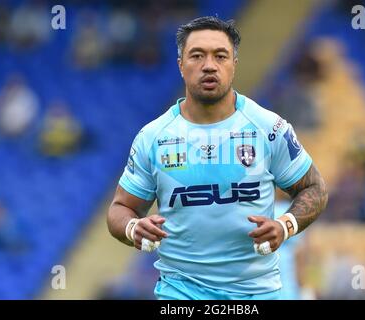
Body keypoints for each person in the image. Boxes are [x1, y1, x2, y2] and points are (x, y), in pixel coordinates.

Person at [107, 16, 328, 300]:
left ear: (233, 64)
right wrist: (133, 226)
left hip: (256, 295)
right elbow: (120, 208)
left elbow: (315, 188)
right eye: (197, 56)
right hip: (181, 294)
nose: (209, 65)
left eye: (220, 56)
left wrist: (286, 225)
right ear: (180, 66)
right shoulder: (153, 137)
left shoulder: (268, 129)